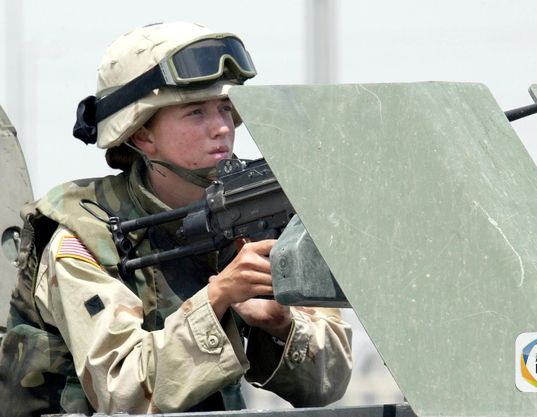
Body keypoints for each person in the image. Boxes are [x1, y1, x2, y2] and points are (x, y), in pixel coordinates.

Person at [0, 22, 352, 416]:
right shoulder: (84, 235)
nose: (222, 128)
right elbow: (123, 393)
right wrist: (218, 298)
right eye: (195, 113)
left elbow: (330, 382)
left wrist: (280, 326)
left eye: (225, 108)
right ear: (141, 135)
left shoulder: (258, 212)